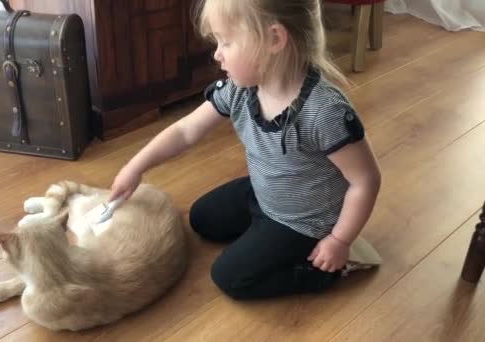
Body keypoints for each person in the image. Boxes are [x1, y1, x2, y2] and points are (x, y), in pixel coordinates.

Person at [108, 0, 381, 300]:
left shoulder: (323, 112)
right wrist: (135, 166)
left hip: (303, 222)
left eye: (227, 42)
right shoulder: (241, 88)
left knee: (229, 277)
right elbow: (186, 131)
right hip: (264, 194)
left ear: (274, 39)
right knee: (201, 218)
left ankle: (322, 272)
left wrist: (339, 241)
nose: (217, 54)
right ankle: (262, 236)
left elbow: (365, 181)